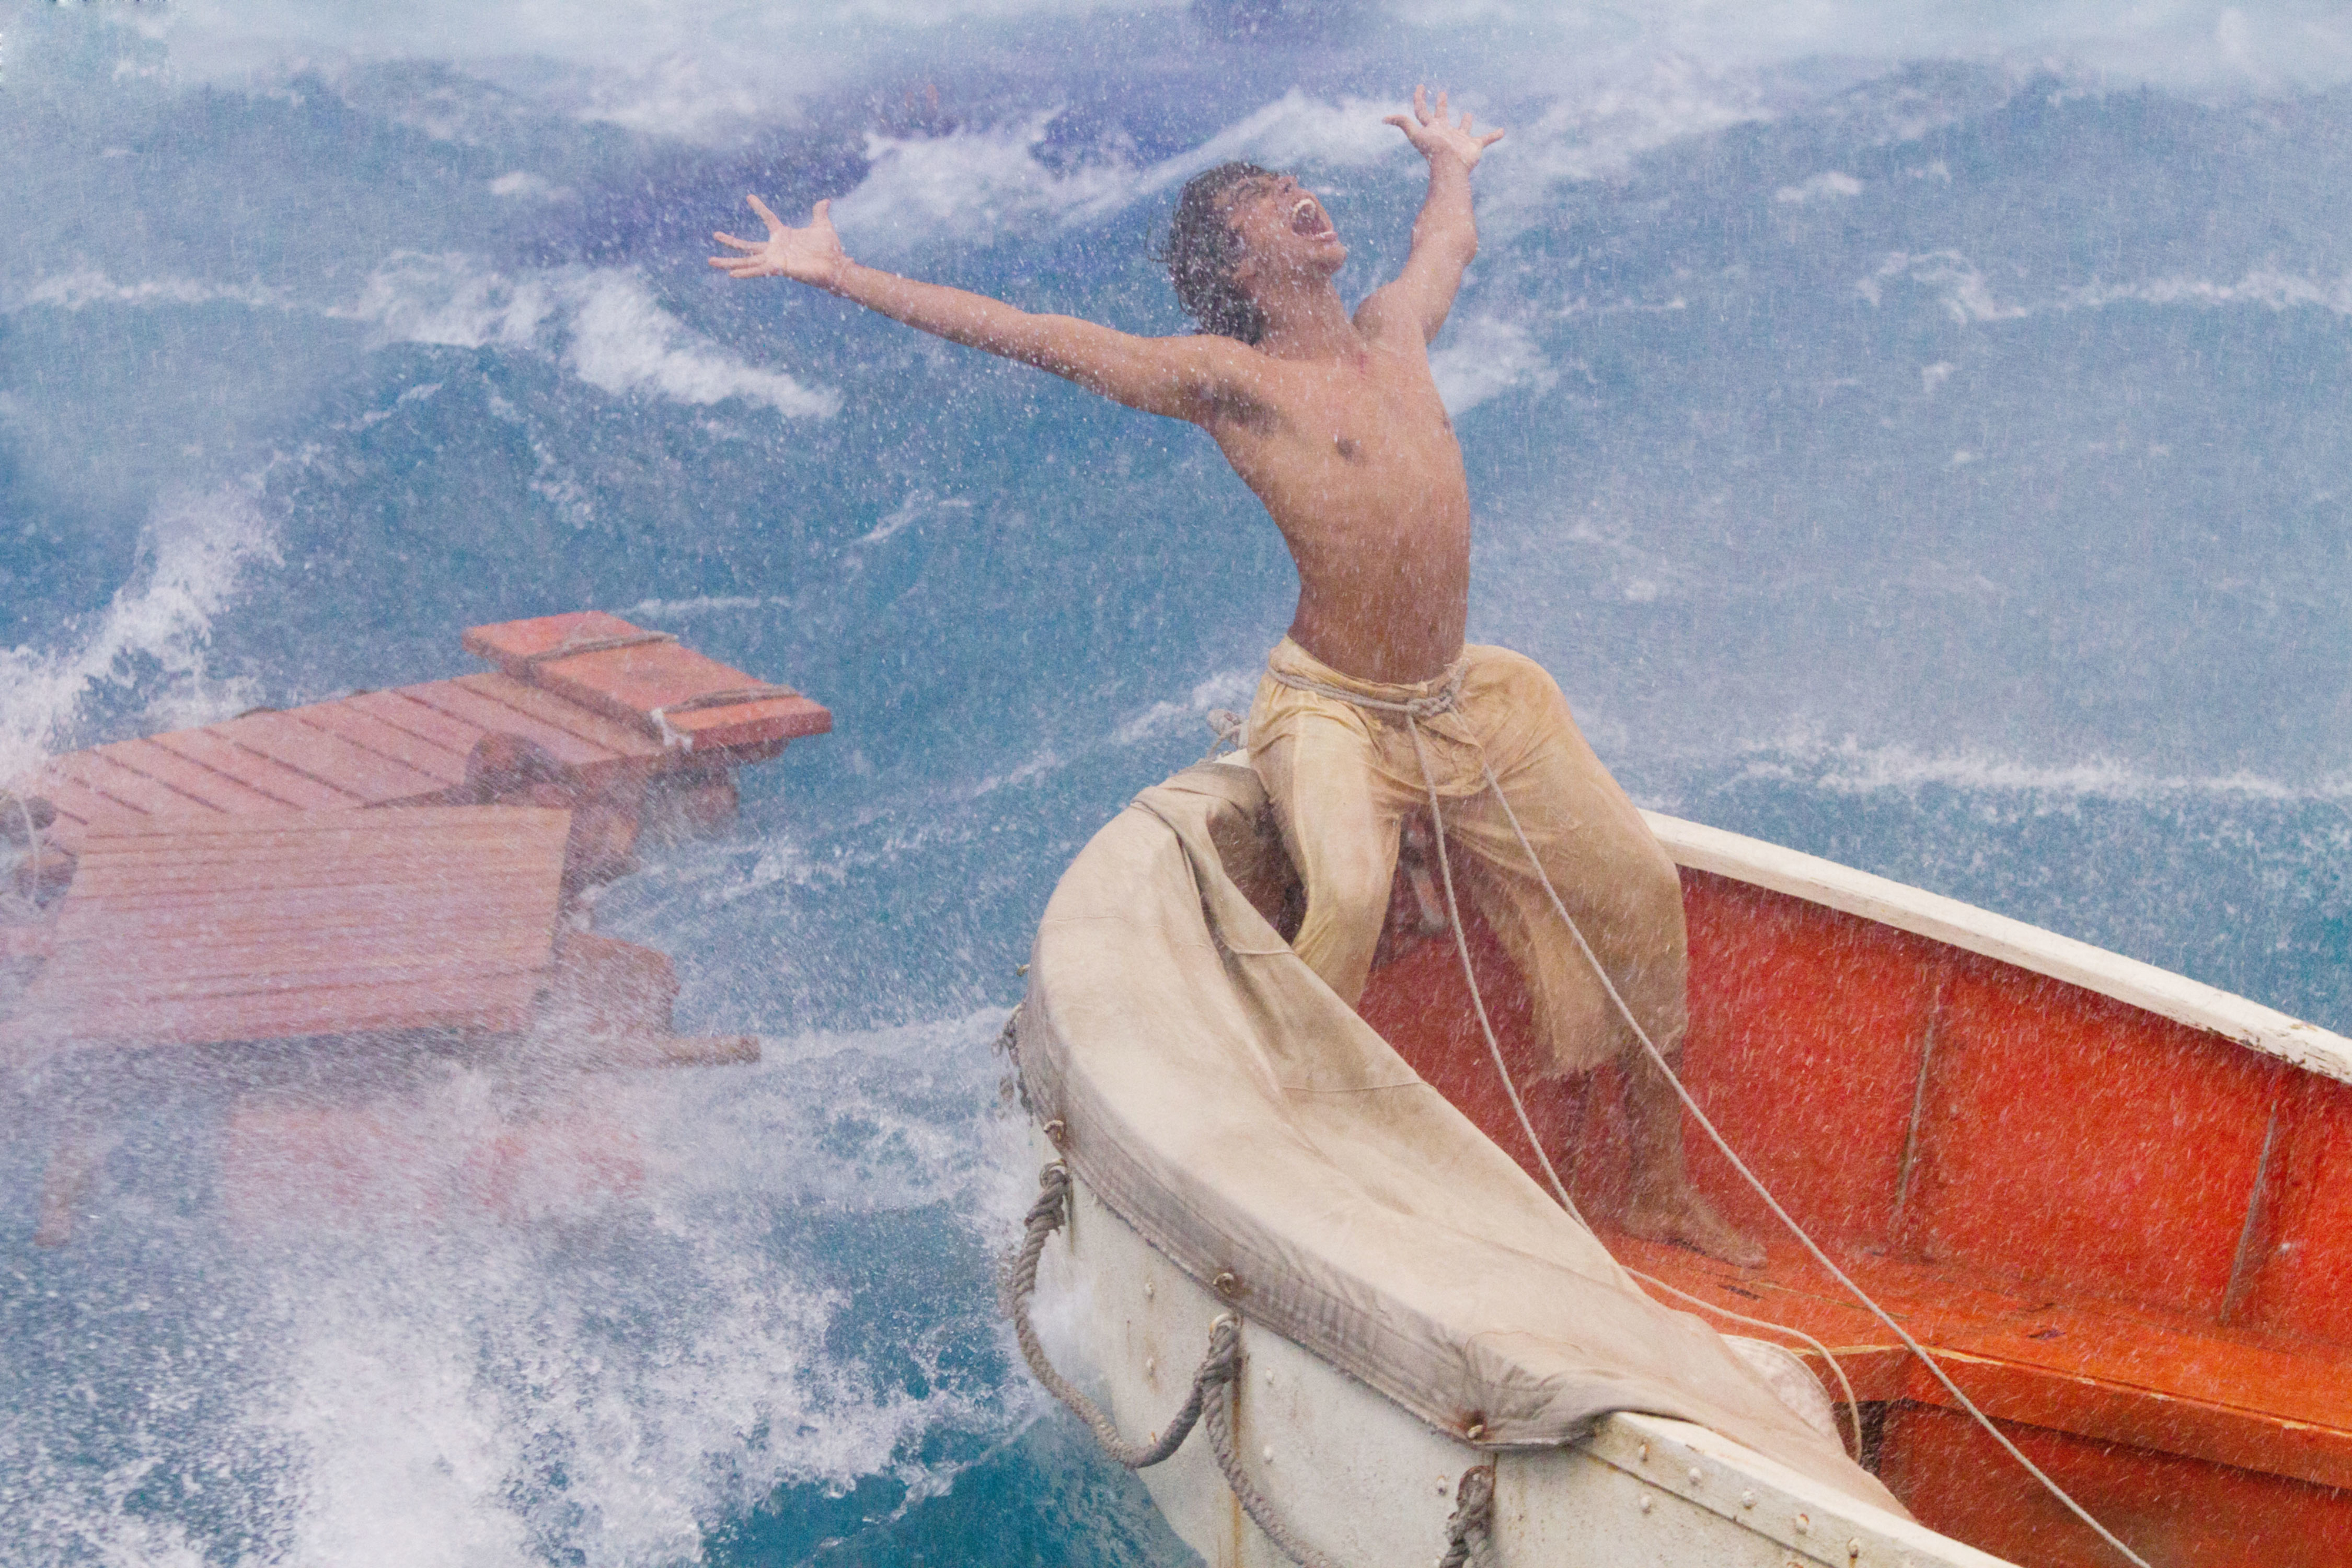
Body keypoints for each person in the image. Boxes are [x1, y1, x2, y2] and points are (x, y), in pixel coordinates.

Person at [711, 87, 1761, 1266]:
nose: (1296, 196)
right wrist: (844, 275)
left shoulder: (1391, 329)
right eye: (1264, 201)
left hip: (1467, 702)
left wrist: (1451, 162)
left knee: (1637, 887)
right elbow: (1041, 335)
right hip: (1331, 712)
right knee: (1349, 896)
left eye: (1288, 184)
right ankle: (1285, 1165)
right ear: (1240, 264)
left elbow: (1444, 242)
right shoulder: (1230, 380)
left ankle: (1656, 1184)